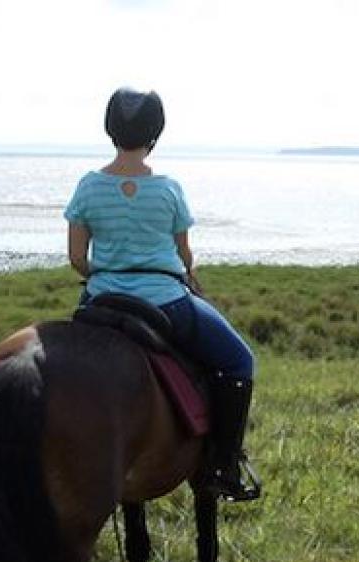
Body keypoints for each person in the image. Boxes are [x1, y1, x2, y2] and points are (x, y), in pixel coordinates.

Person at [65, 87, 261, 502]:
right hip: (168, 301)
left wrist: (108, 274)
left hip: (101, 301)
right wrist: (189, 276)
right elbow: (184, 254)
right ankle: (225, 464)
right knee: (240, 360)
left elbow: (77, 259)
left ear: (110, 129)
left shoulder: (87, 186)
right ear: (155, 131)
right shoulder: (169, 188)